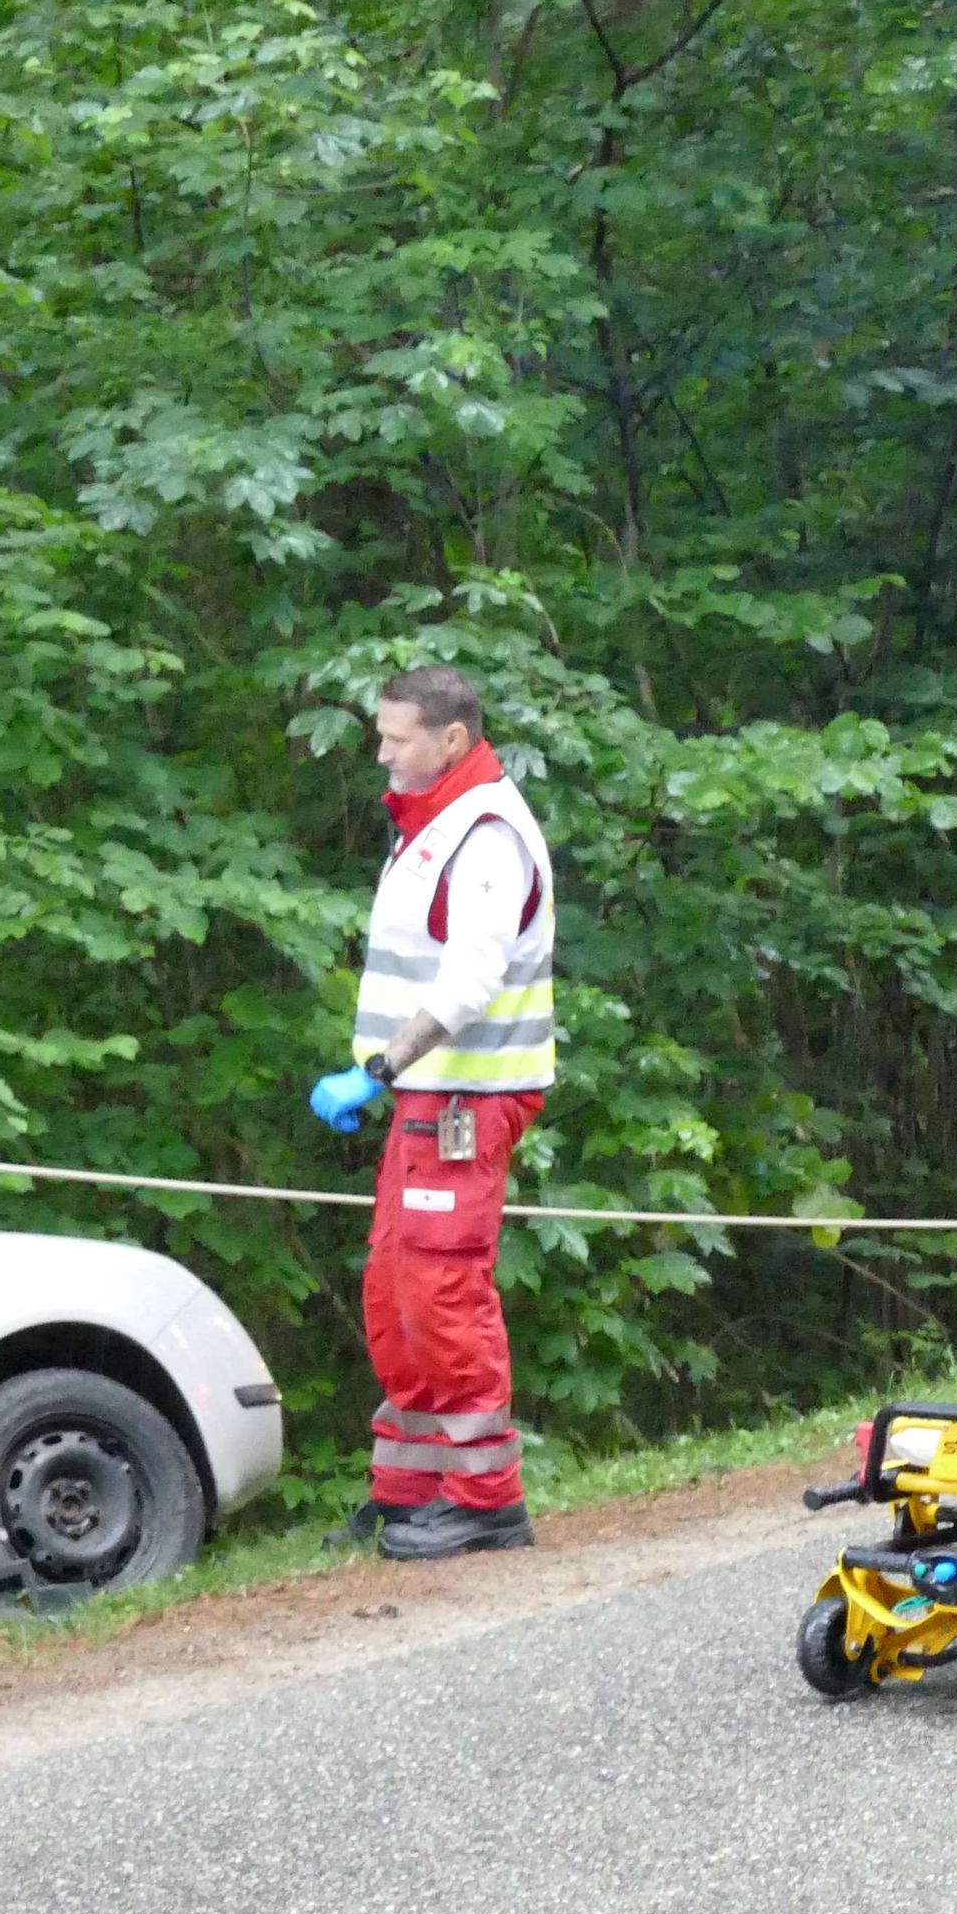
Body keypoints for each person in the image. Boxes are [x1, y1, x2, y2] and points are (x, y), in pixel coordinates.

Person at [309, 664, 559, 1559]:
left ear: (450, 739)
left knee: (443, 1290)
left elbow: (472, 977)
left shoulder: (485, 833)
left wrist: (377, 1067)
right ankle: (412, 1489)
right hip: (429, 1097)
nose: (380, 750)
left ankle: (486, 1497)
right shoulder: (436, 821)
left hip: (464, 1096)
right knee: (397, 1288)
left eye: (396, 736)